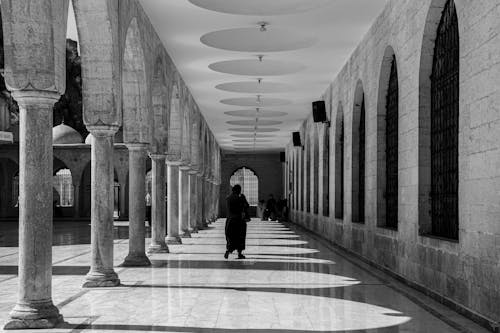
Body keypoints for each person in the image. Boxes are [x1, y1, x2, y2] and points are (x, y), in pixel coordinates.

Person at [225, 184, 247, 259]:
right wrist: (243, 198)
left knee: (231, 237)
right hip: (239, 220)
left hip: (230, 220)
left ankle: (229, 250)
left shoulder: (228, 198)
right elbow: (246, 206)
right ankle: (239, 253)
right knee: (240, 237)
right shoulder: (240, 198)